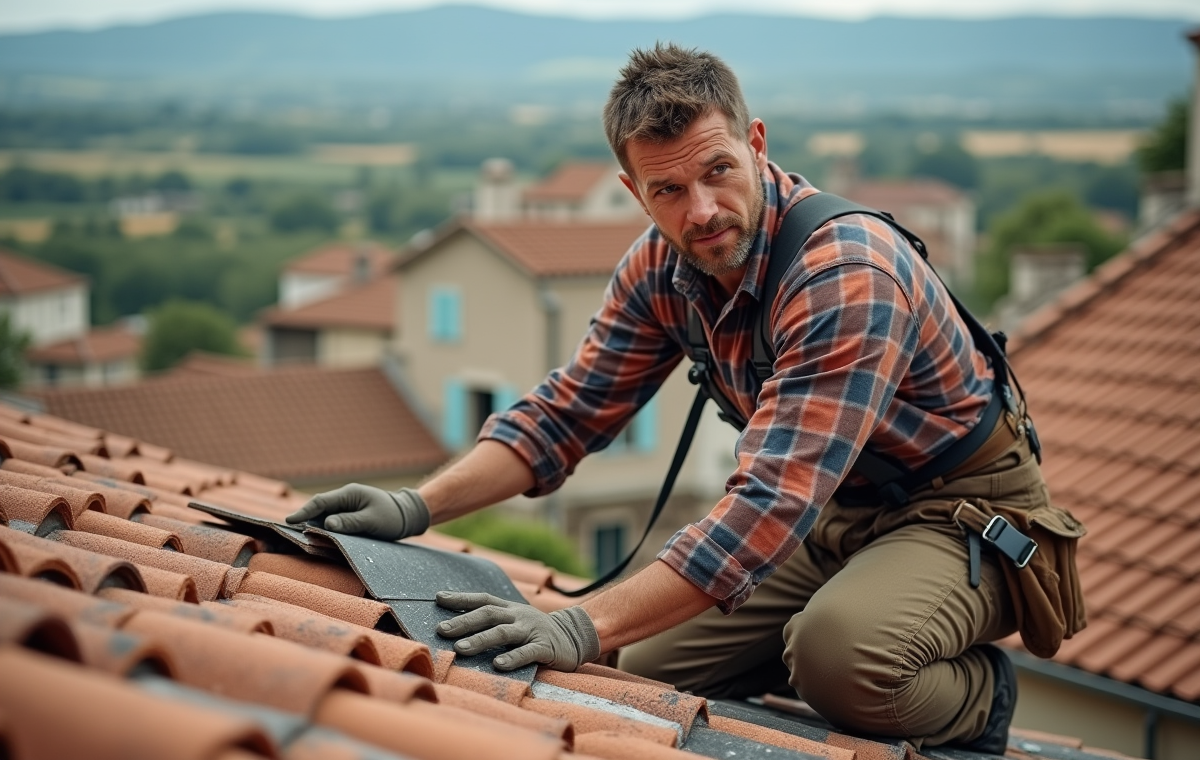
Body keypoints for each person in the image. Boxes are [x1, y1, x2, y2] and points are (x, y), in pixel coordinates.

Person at [286, 43, 1052, 752]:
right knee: (643, 662)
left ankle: (976, 692)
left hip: (959, 514)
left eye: (718, 171)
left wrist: (580, 623)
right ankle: (825, 632)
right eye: (669, 190)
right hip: (836, 515)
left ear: (756, 144)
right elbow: (566, 414)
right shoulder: (661, 267)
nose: (702, 211)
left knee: (841, 660)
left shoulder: (846, 276)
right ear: (634, 190)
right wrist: (414, 508)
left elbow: (767, 505)